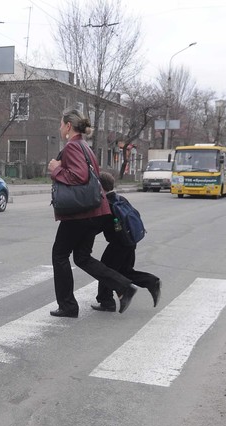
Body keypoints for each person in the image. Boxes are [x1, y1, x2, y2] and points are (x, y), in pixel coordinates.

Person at [47, 109, 137, 318]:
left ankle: (68, 306)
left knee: (59, 255)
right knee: (82, 257)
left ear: (68, 126)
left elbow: (79, 176)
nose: (60, 129)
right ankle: (123, 286)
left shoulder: (72, 147)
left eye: (61, 125)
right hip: (93, 211)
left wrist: (56, 169)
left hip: (79, 213)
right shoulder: (85, 146)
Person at [91, 172, 161, 312]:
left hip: (118, 244)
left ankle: (107, 302)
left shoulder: (107, 204)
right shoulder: (120, 199)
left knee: (105, 270)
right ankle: (151, 282)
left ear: (100, 187)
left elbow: (98, 226)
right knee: (123, 271)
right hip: (130, 242)